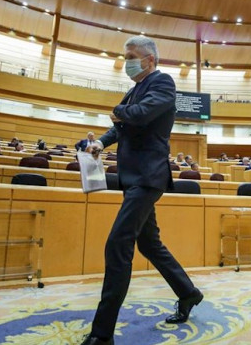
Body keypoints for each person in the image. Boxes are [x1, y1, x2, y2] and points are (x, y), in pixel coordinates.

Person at [81, 36, 202, 345]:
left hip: (149, 177)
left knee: (118, 244)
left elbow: (141, 114)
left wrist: (120, 112)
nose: (126, 61)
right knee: (149, 244)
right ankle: (189, 293)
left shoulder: (163, 82)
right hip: (132, 177)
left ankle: (102, 335)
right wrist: (99, 144)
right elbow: (119, 126)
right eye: (125, 56)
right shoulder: (133, 90)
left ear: (149, 60)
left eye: (131, 56)